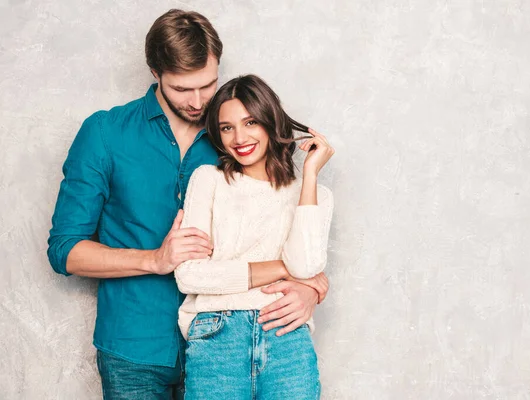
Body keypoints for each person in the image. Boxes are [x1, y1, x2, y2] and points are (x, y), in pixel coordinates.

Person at [47, 9, 328, 399]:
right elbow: (65, 250)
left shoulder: (236, 135)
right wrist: (154, 260)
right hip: (135, 349)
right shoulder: (105, 132)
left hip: (232, 349)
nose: (198, 102)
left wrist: (311, 288)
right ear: (154, 71)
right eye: (182, 89)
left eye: (207, 85)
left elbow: (285, 219)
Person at [174, 74, 334, 399]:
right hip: (218, 336)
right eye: (227, 127)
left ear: (269, 121)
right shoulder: (209, 181)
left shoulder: (316, 196)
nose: (239, 137)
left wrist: (311, 174)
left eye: (250, 122)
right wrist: (281, 269)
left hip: (286, 336)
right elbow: (190, 275)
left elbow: (304, 266)